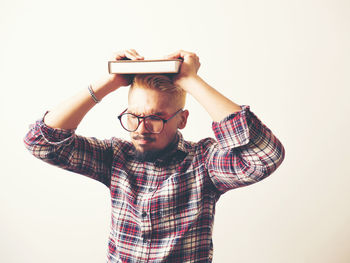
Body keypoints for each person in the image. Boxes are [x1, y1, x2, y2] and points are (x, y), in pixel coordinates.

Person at [24, 49, 285, 262]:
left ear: (182, 119)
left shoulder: (203, 163)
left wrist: (191, 81)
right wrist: (109, 82)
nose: (141, 129)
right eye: (134, 116)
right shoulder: (115, 157)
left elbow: (265, 156)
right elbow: (40, 142)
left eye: (156, 118)